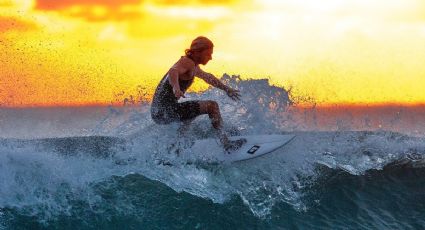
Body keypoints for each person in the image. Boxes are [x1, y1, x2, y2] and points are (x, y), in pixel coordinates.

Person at [151, 36, 246, 151]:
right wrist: (176, 88)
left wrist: (226, 89)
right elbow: (173, 71)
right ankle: (226, 143)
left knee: (191, 114)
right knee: (212, 106)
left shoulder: (193, 66)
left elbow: (208, 77)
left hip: (159, 112)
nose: (210, 58)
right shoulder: (187, 62)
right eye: (208, 54)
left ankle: (175, 149)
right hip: (165, 111)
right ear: (197, 52)